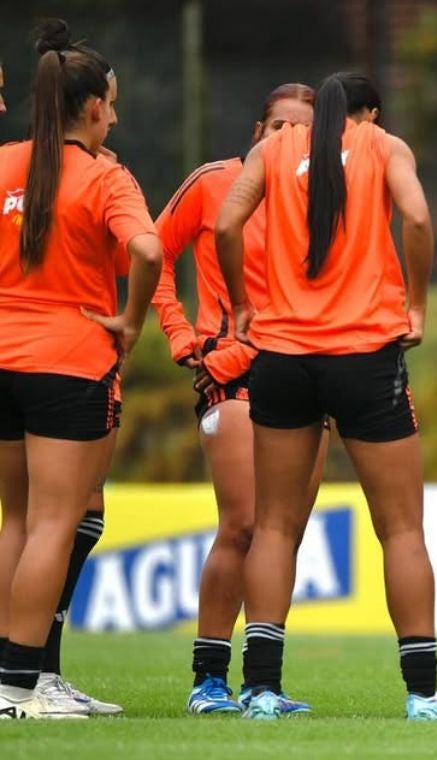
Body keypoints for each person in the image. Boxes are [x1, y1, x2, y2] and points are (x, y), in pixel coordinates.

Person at [215, 71, 437, 722]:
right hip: (365, 357)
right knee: (402, 528)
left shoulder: (272, 150)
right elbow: (415, 216)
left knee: (273, 525)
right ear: (368, 113)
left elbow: (225, 223)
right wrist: (416, 305)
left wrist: (243, 305)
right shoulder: (383, 145)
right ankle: (422, 695)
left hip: (283, 358)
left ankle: (261, 689)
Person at [0, 19, 162, 719]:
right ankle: (17, 689)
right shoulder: (104, 176)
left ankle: (9, 682)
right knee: (52, 527)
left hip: (2, 358)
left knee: (15, 522)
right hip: (69, 364)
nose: (116, 117)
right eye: (113, 104)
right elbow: (149, 251)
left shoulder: (5, 161)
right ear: (92, 107)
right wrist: (131, 320)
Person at [152, 83, 325, 715]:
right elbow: (152, 253)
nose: (286, 139)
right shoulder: (211, 182)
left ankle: (263, 683)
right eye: (277, 126)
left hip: (306, 371)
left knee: (284, 533)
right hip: (231, 374)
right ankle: (208, 680)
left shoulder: (321, 196)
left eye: (300, 130)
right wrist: (180, 334)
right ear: (257, 130)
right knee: (246, 524)